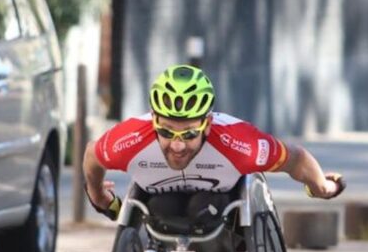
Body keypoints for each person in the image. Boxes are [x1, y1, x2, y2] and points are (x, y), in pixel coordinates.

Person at [83, 64, 345, 235]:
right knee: (162, 208)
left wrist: (322, 186)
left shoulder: (239, 144)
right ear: (154, 121)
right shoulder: (129, 139)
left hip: (219, 211)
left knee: (202, 207)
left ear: (207, 125)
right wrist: (100, 198)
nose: (177, 145)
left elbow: (295, 159)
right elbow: (93, 155)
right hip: (161, 208)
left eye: (188, 134)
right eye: (165, 132)